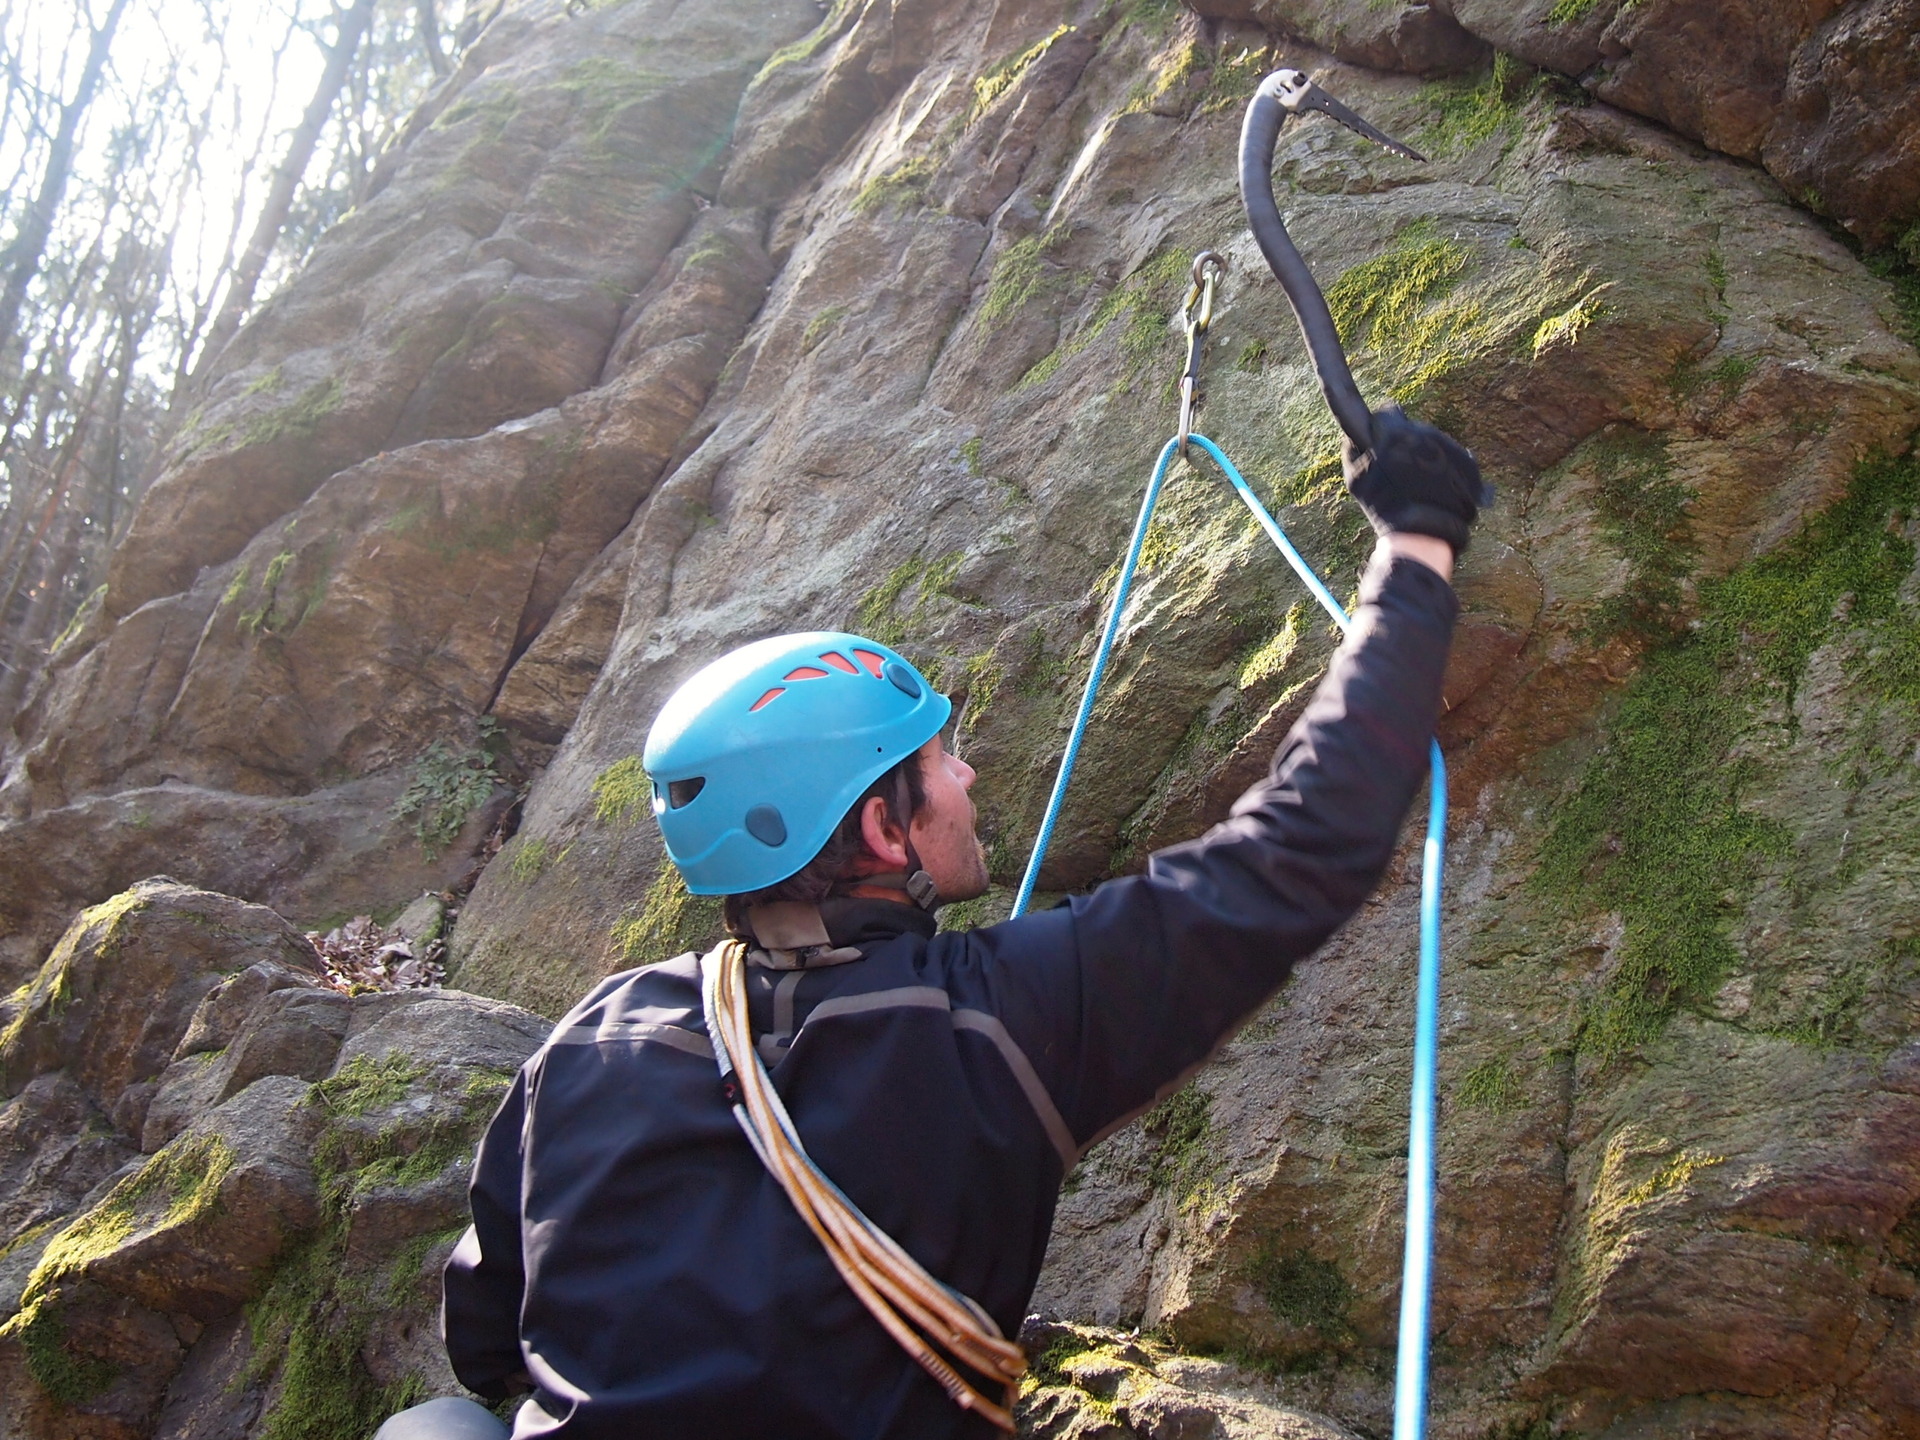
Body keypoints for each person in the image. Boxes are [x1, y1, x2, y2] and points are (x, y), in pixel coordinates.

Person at [408, 408, 1486, 1440]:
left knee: (442, 1427)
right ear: (884, 827)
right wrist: (1417, 543)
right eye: (938, 761)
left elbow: (490, 1330)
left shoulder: (595, 1036)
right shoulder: (1002, 1016)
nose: (967, 773)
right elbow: (1299, 846)